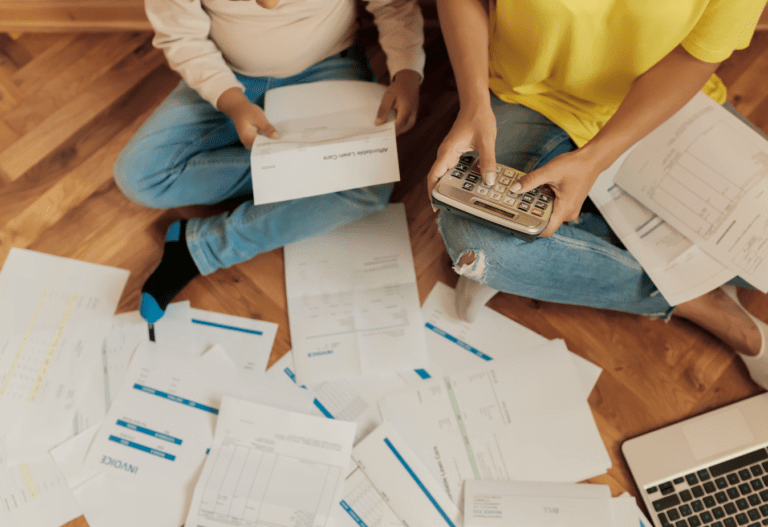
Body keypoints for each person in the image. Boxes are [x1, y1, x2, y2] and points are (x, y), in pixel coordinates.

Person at [426, 0, 768, 388]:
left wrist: (596, 159)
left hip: (657, 104)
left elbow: (697, 55)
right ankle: (697, 301)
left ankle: (583, 251)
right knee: (483, 250)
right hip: (533, 97)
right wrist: (473, 102)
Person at [114, 0, 425, 323]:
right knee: (138, 176)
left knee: (370, 184)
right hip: (223, 70)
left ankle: (202, 248)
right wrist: (231, 100)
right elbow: (182, 38)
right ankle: (305, 168)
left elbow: (395, 5)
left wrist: (407, 70)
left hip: (327, 66)